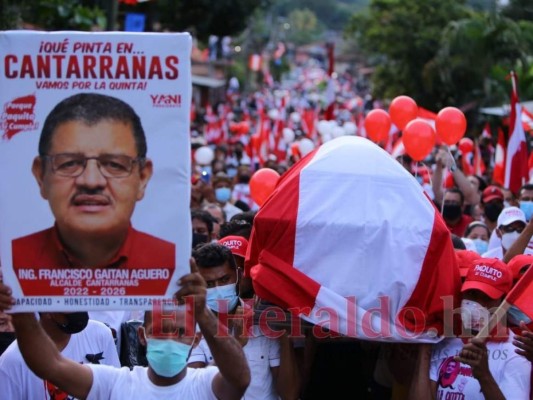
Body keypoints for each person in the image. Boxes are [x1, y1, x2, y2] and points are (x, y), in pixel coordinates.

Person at [0, 260, 251, 400]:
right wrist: (20, 306)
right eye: (160, 330)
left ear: (195, 340)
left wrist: (202, 313)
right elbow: (49, 364)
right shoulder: (115, 384)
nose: (169, 339)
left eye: (179, 332)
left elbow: (240, 378)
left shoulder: (206, 385)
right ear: (142, 335)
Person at [11, 93, 175, 270]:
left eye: (114, 164)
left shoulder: (173, 266)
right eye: (69, 163)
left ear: (142, 177)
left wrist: (192, 298)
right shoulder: (8, 265)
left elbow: (191, 296)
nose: (91, 181)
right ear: (41, 175)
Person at [189, 243, 300, 400]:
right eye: (209, 284)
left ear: (239, 275)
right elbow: (196, 392)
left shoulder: (263, 320)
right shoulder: (193, 326)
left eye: (224, 279)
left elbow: (289, 395)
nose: (218, 289)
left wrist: (284, 334)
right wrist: (234, 346)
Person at [410, 257, 531, 399]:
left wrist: (484, 376)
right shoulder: (445, 338)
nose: (476, 304)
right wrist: (425, 349)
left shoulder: (514, 351)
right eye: (472, 294)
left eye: (486, 297)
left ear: (502, 303)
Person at [0, 312, 120, 399]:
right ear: (47, 310)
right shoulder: (12, 361)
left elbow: (115, 392)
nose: (78, 309)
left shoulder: (100, 334)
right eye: (68, 302)